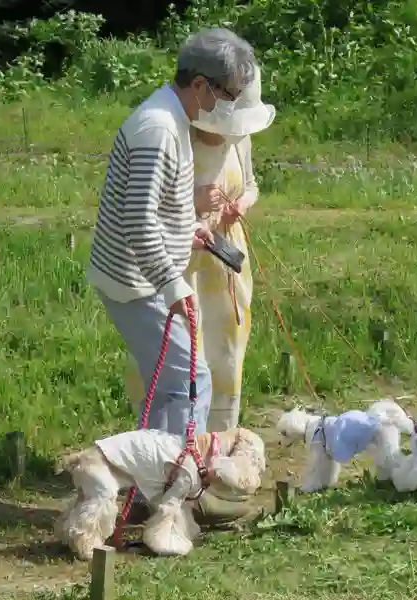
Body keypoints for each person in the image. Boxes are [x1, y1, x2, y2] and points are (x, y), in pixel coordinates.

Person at [87, 27, 259, 524]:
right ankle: (178, 493)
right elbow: (137, 220)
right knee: (190, 379)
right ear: (202, 86)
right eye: (227, 95)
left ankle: (157, 488)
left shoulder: (173, 117)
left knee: (174, 385)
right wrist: (173, 285)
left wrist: (190, 231)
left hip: (143, 271)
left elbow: (160, 208)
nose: (228, 107)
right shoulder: (159, 130)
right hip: (134, 279)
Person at [123, 65, 275, 526]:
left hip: (225, 259)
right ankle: (166, 464)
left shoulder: (240, 137)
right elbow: (155, 206)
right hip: (179, 260)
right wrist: (197, 206)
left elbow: (250, 185)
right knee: (185, 364)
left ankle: (217, 461)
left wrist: (239, 205)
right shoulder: (174, 132)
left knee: (225, 351)